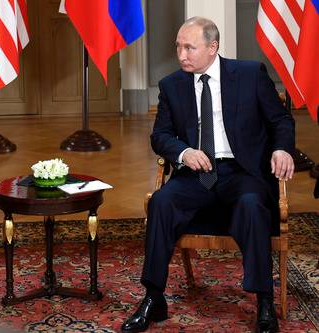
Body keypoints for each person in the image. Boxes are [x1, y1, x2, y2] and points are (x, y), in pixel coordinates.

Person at [122, 17, 294, 333]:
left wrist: (281, 149)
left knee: (253, 205)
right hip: (197, 175)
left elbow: (280, 121)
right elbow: (160, 136)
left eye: (190, 47)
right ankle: (152, 296)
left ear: (212, 48)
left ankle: (264, 301)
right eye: (178, 46)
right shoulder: (171, 85)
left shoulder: (249, 75)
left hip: (240, 172)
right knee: (161, 202)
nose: (182, 54)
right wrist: (184, 153)